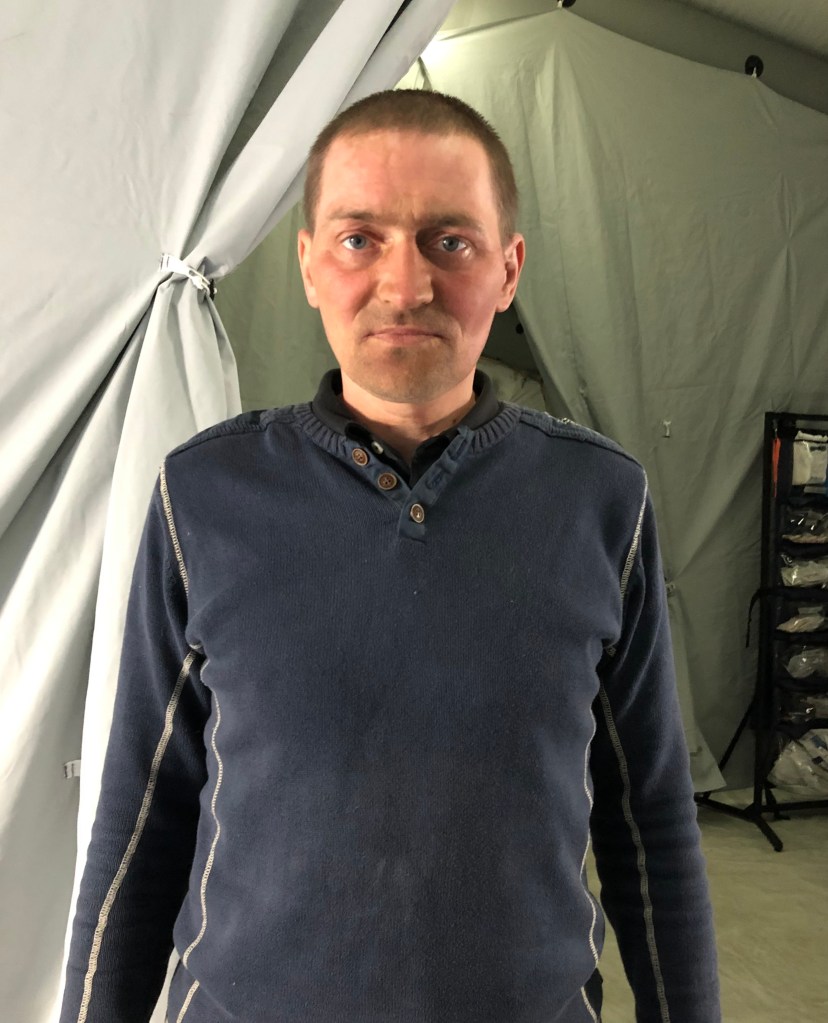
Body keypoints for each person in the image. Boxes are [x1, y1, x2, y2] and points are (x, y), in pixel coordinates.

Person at [61, 89, 720, 1023]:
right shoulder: (204, 496)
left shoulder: (601, 502)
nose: (404, 286)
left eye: (449, 240)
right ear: (308, 265)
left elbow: (650, 820)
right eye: (359, 238)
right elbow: (138, 824)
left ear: (508, 268)